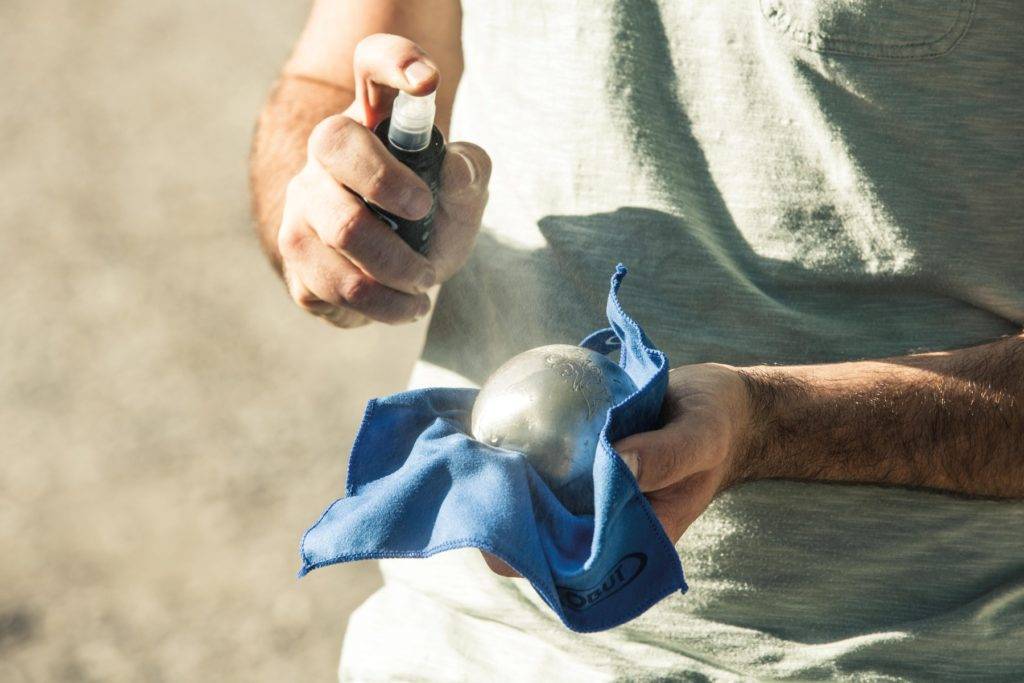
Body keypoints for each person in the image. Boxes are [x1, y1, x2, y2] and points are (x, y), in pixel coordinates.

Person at [250, 1, 1024, 679]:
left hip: (878, 653)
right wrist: (329, 212)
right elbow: (330, 71)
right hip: (458, 639)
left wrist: (778, 422)